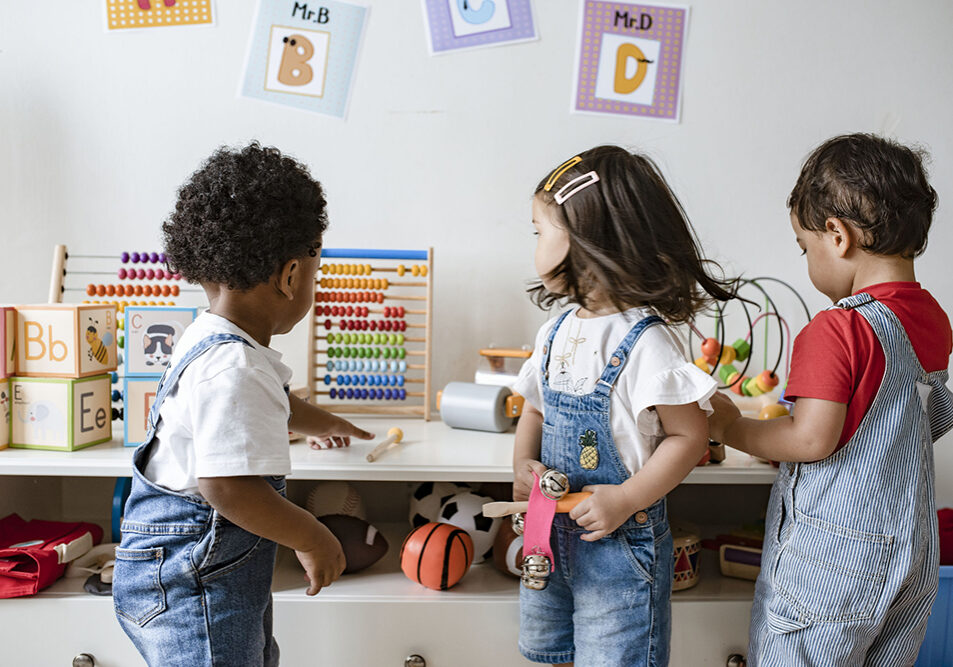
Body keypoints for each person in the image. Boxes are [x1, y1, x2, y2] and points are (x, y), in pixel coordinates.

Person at [112, 142, 374, 666]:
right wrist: (313, 536)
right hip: (195, 582)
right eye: (315, 272)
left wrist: (327, 421)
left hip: (199, 571)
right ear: (292, 275)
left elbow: (276, 402)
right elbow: (229, 488)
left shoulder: (213, 339)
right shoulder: (235, 368)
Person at [709, 133, 953, 665]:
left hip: (836, 561)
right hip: (912, 554)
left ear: (836, 236)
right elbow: (923, 420)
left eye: (804, 246)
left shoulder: (836, 328)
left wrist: (729, 428)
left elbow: (809, 438)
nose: (806, 260)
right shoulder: (933, 320)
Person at [512, 145, 736, 666]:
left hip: (619, 548)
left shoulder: (647, 341)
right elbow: (535, 410)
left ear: (587, 241)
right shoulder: (556, 331)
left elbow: (690, 436)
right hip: (549, 537)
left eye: (540, 232)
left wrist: (627, 499)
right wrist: (522, 462)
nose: (534, 245)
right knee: (550, 654)